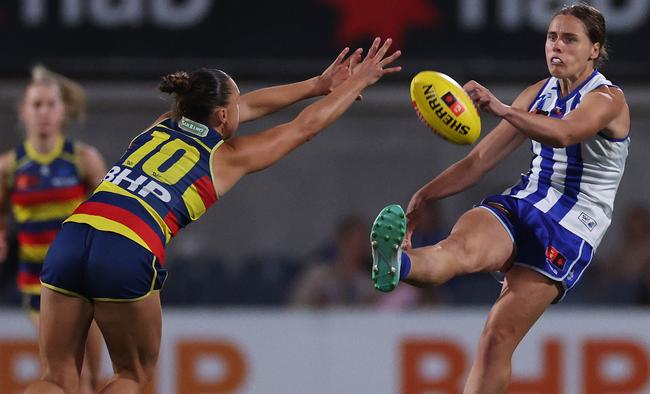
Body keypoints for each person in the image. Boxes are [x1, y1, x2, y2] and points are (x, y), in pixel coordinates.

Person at [24, 37, 400, 394]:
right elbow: (303, 128)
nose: (244, 108)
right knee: (132, 374)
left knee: (55, 378)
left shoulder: (157, 126)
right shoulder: (226, 159)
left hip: (73, 236)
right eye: (235, 106)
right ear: (222, 114)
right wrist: (355, 84)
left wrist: (317, 84)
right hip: (129, 244)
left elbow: (247, 107)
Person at [369, 4, 629, 393]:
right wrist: (423, 195)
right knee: (457, 250)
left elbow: (564, 133)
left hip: (571, 227)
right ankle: (396, 264)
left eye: (569, 39)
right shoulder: (537, 93)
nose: (557, 46)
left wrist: (500, 108)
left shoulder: (608, 100)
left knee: (497, 337)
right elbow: (478, 160)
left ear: (594, 49)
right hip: (523, 201)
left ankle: (402, 266)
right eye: (552, 37)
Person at [0, 66, 107, 393]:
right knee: (67, 373)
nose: (43, 112)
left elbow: (108, 210)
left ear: (63, 112)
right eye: (36, 105)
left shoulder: (83, 160)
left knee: (90, 376)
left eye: (50, 104)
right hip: (38, 285)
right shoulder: (10, 166)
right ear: (23, 111)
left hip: (84, 278)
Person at [290, 214, 377, 307]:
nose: (355, 249)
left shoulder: (369, 282)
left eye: (360, 244)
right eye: (350, 243)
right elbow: (296, 308)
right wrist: (316, 305)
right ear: (340, 241)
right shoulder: (317, 276)